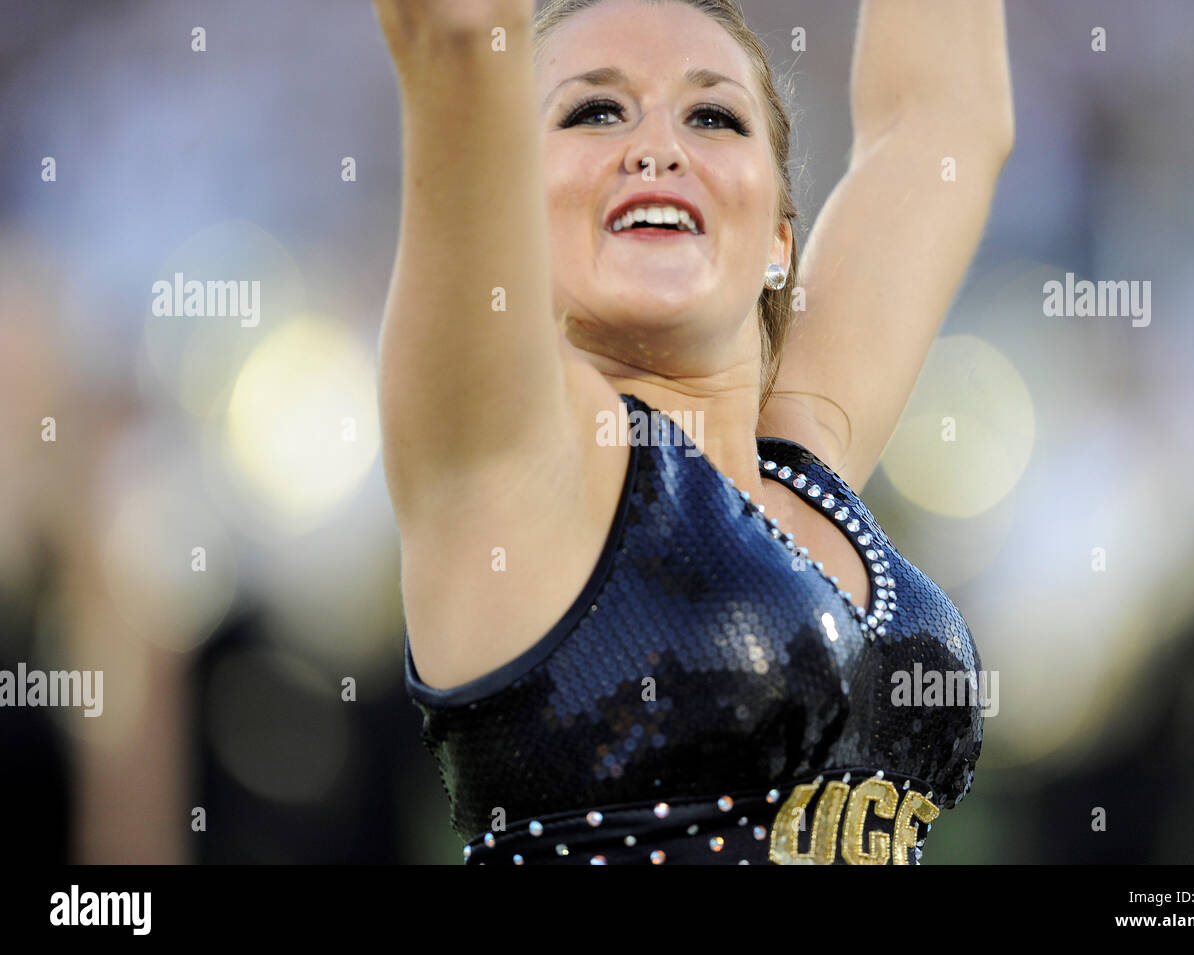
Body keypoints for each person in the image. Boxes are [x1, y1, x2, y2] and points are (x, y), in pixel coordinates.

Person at [373, 0, 1013, 864]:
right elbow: (455, 30)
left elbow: (943, 120)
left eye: (712, 115)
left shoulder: (802, 462)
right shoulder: (514, 466)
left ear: (780, 241)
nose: (657, 145)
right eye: (595, 110)